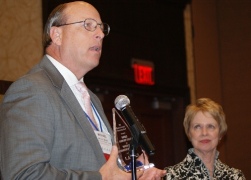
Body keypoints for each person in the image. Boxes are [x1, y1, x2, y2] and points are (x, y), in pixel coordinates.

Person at [0, 1, 166, 179]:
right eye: (88, 25)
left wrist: (134, 173)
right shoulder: (32, 90)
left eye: (101, 28)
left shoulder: (91, 98)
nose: (100, 34)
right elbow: (23, 174)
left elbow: (103, 165)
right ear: (57, 35)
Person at [164, 98, 246, 180]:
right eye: (197, 127)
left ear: (220, 133)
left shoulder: (235, 176)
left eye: (210, 126)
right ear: (189, 133)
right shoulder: (170, 176)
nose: (204, 133)